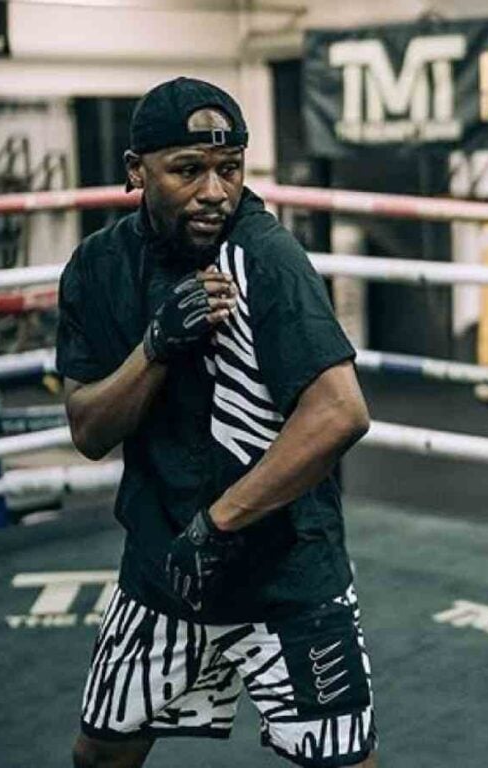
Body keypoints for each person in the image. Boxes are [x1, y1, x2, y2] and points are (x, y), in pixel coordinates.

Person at [59, 77, 377, 768]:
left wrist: (219, 523)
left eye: (229, 169)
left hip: (284, 572)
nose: (214, 191)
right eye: (188, 171)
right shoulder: (99, 266)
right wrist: (155, 349)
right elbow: (88, 430)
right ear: (135, 171)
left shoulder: (266, 258)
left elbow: (339, 412)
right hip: (162, 567)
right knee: (100, 755)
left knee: (344, 763)